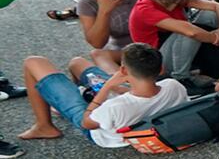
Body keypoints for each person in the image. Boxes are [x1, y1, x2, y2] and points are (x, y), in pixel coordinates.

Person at [14, 42, 187, 147]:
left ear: (123, 70)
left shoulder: (115, 107)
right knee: (77, 63)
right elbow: (146, 98)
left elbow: (87, 122)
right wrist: (119, 89)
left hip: (100, 128)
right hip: (130, 105)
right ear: (161, 69)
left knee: (33, 61)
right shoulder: (173, 85)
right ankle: (74, 97)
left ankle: (44, 126)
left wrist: (107, 88)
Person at [125, 0, 219, 82]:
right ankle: (181, 78)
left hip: (177, 48)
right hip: (157, 61)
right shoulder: (145, 10)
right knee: (189, 32)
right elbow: (191, 32)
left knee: (210, 15)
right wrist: (218, 39)